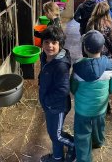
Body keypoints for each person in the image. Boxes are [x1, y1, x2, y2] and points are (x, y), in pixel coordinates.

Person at [71, 30, 112, 162]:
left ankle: (84, 158)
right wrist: (108, 92)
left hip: (82, 110)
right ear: (103, 48)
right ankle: (98, 142)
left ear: (85, 48)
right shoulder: (110, 66)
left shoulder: (77, 68)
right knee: (99, 125)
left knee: (81, 134)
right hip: (100, 108)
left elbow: (73, 87)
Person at [39, 26, 75, 162]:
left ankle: (75, 145)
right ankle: (58, 157)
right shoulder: (45, 57)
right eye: (46, 42)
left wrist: (47, 100)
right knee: (53, 133)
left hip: (57, 106)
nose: (50, 46)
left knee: (57, 135)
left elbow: (63, 90)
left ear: (60, 45)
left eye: (54, 43)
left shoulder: (60, 65)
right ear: (42, 43)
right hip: (49, 105)